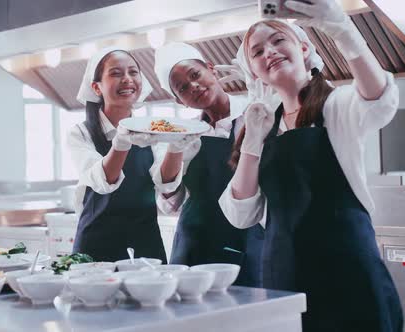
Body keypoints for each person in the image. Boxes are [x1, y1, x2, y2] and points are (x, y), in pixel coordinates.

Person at [219, 0, 403, 330]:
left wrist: (342, 29)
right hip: (284, 271)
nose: (269, 52)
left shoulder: (337, 104)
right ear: (254, 70)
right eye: (257, 52)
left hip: (348, 266)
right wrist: (251, 143)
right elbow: (241, 211)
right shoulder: (263, 123)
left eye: (278, 41)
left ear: (303, 48)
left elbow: (380, 100)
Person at [153, 42, 266, 287]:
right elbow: (169, 202)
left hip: (244, 241)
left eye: (196, 75)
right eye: (182, 88)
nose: (193, 86)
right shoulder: (183, 134)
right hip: (192, 247)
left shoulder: (255, 114)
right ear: (180, 101)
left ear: (211, 69)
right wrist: (176, 145)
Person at [67, 46, 183, 263]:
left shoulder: (152, 128)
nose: (127, 79)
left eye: (133, 72)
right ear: (96, 87)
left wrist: (176, 146)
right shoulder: (81, 133)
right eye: (116, 73)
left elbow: (165, 182)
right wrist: (121, 141)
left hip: (145, 245)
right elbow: (104, 180)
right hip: (96, 247)